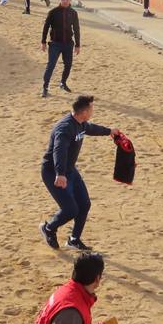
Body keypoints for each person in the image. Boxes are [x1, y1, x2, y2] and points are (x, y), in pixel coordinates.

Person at [40, 96, 119, 252]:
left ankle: (74, 240)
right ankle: (48, 228)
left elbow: (90, 128)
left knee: (84, 204)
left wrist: (109, 131)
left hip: (70, 170)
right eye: (91, 109)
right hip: (53, 172)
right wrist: (60, 173)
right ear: (84, 112)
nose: (92, 111)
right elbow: (59, 151)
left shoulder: (80, 123)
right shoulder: (64, 128)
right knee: (70, 209)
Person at [40, 0, 80, 98]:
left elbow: (76, 29)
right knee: (51, 65)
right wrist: (43, 41)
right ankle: (45, 87)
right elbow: (46, 27)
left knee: (68, 65)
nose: (65, 1)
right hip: (55, 44)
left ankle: (63, 82)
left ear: (70, 0)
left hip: (68, 44)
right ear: (60, 0)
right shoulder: (53, 12)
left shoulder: (73, 13)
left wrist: (77, 44)